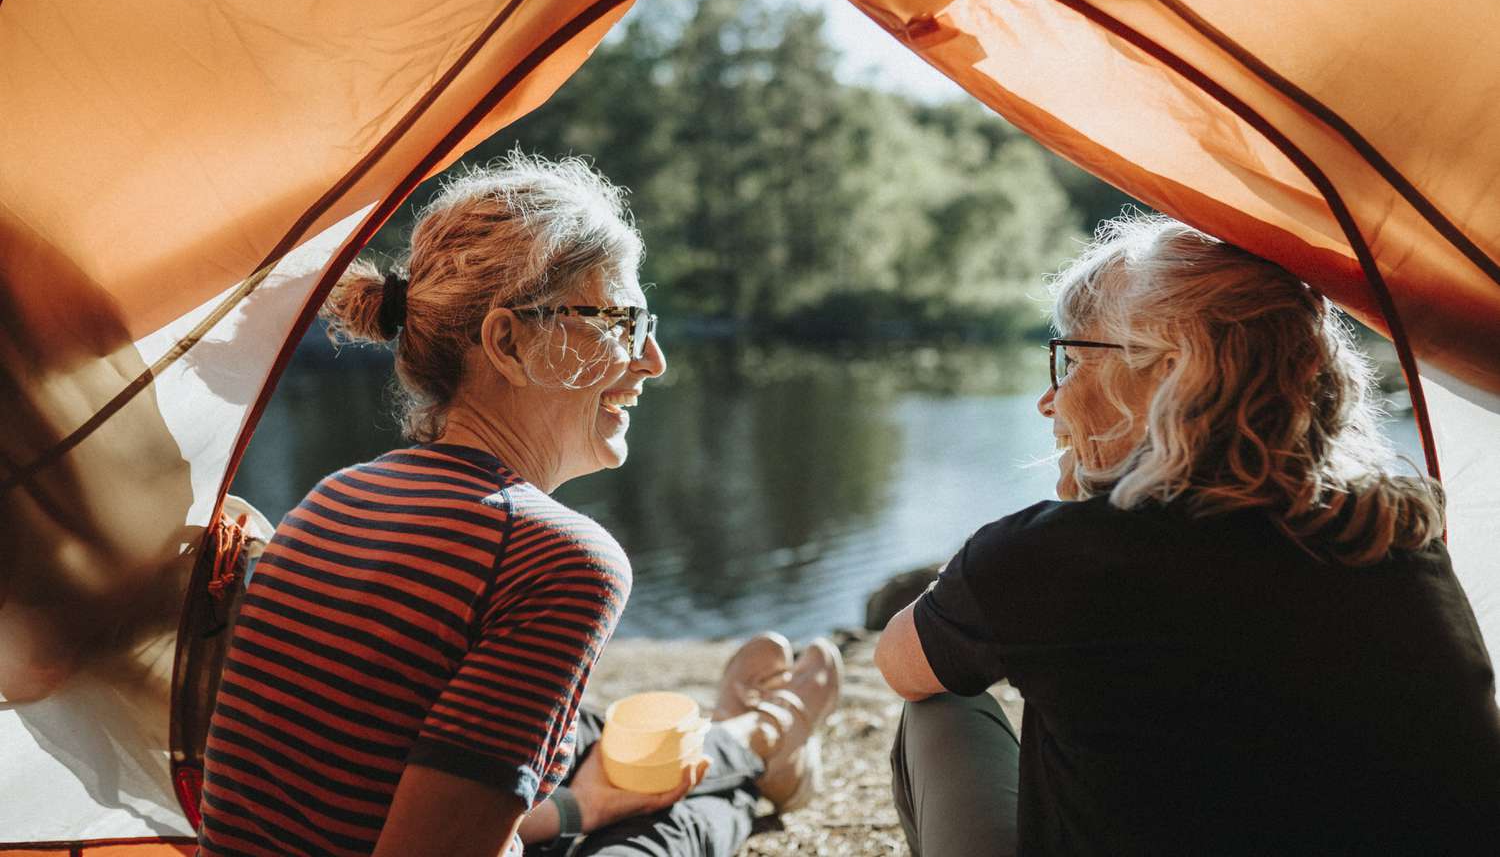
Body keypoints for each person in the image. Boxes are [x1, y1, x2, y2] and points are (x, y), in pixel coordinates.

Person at [196, 154, 841, 857]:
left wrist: (572, 805)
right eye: (621, 321)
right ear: (509, 342)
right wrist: (583, 811)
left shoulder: (335, 495)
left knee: (584, 735)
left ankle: (749, 736)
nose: (653, 359)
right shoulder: (558, 559)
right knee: (666, 830)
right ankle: (758, 769)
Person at [875, 213, 1500, 856]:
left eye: (1069, 358)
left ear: (1171, 372)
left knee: (940, 706)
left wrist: (1066, 525)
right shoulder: (1398, 538)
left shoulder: (1060, 560)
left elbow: (899, 663)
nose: (1048, 400)